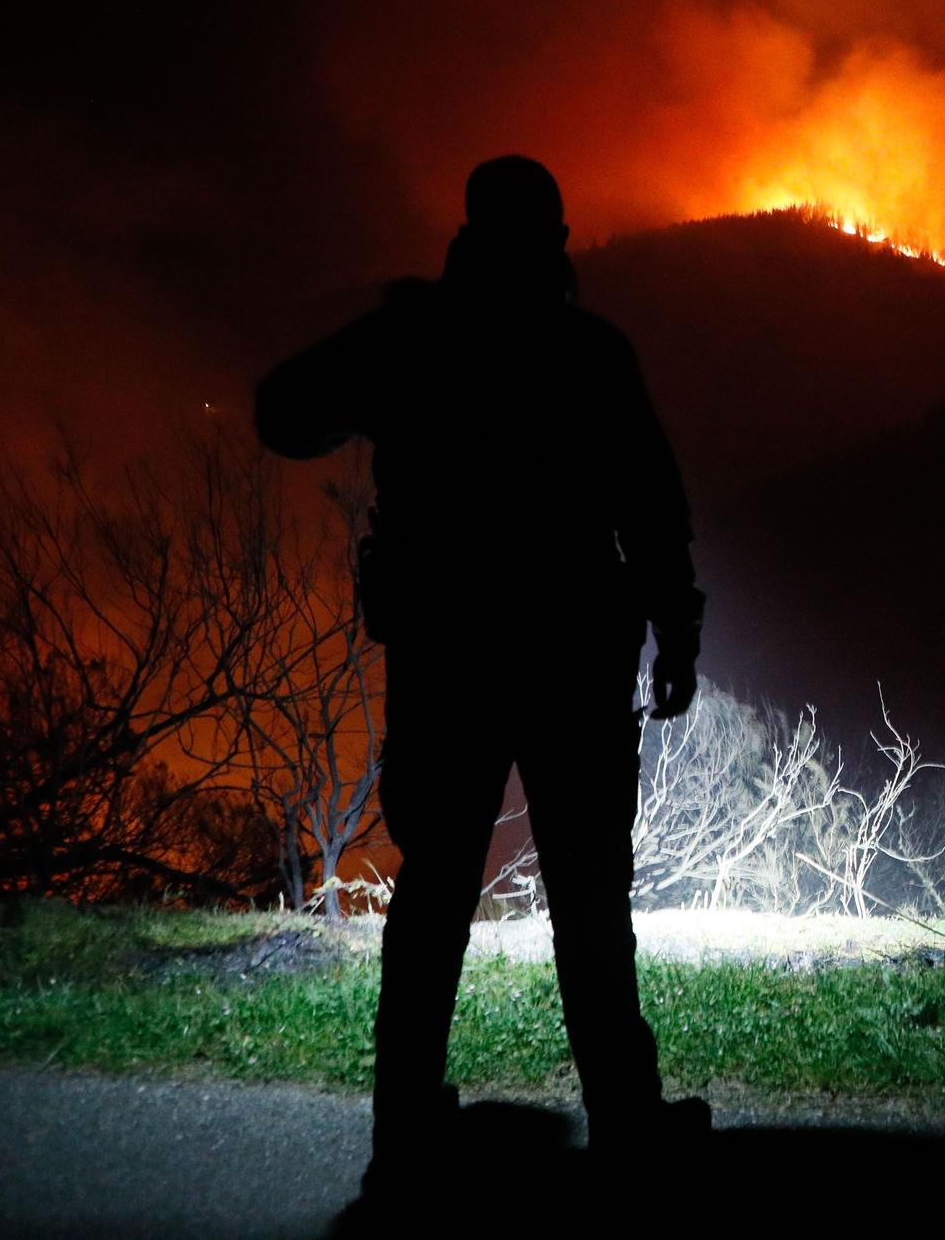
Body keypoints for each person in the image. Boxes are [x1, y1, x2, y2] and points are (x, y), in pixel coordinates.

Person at [254, 156, 710, 1201]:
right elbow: (650, 502)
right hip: (571, 651)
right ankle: (625, 1122)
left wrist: (383, 342)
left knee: (435, 889)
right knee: (590, 888)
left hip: (448, 649)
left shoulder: (419, 338)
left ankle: (404, 1129)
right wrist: (675, 633)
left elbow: (283, 412)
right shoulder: (587, 350)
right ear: (553, 239)